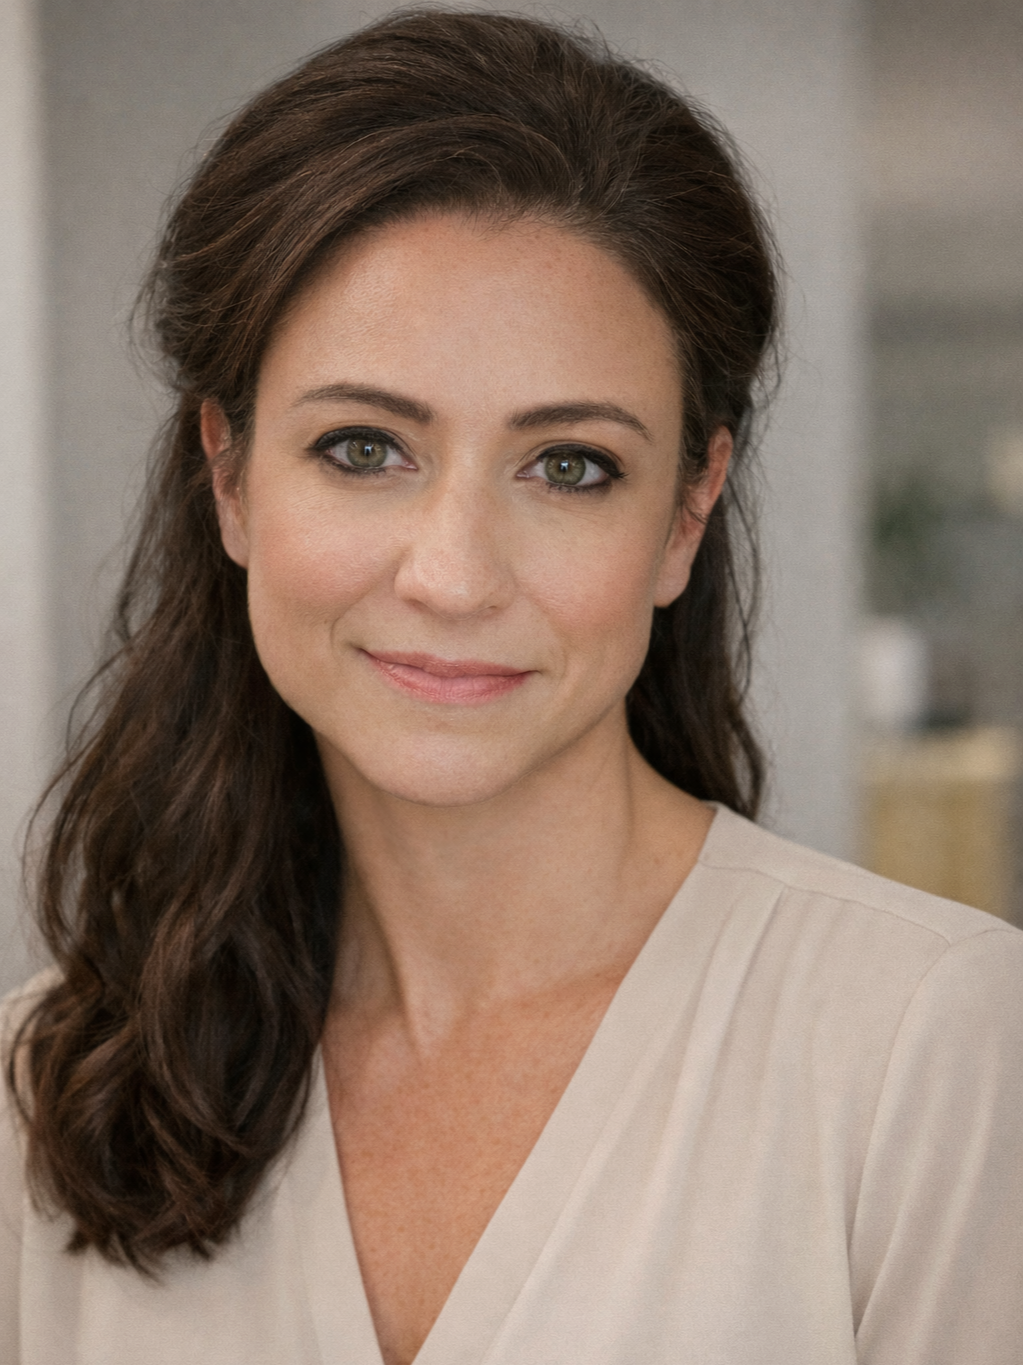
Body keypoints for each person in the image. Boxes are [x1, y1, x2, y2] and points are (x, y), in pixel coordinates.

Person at [3, 10, 1023, 1364]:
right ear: (230, 474)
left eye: (570, 466)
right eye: (363, 448)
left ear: (684, 513)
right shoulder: (54, 1083)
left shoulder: (932, 1046)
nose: (454, 573)